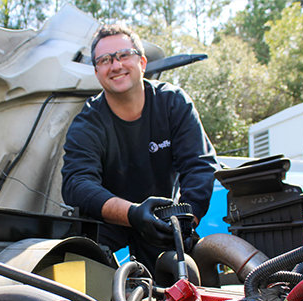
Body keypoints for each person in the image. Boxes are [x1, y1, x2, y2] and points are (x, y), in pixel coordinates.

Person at [61, 24, 217, 273]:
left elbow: (199, 166)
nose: (115, 65)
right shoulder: (88, 122)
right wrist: (132, 214)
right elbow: (76, 183)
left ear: (142, 62)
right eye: (104, 60)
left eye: (124, 55)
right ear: (97, 71)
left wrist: (187, 221)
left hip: (161, 218)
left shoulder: (173, 103)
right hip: (108, 220)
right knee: (76, 258)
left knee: (184, 283)